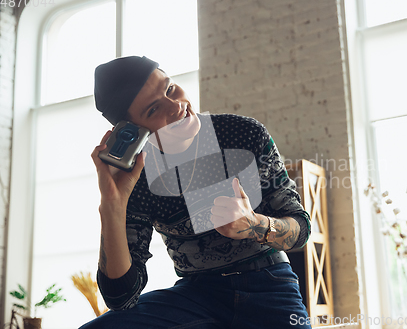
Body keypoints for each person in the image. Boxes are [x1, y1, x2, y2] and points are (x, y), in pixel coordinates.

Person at [80, 56, 312, 329]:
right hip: (196, 296)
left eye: (170, 89)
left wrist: (255, 225)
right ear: (132, 130)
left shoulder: (244, 134)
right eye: (154, 109)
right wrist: (111, 205)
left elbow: (301, 229)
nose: (176, 106)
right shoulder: (136, 175)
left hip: (269, 285)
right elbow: (122, 298)